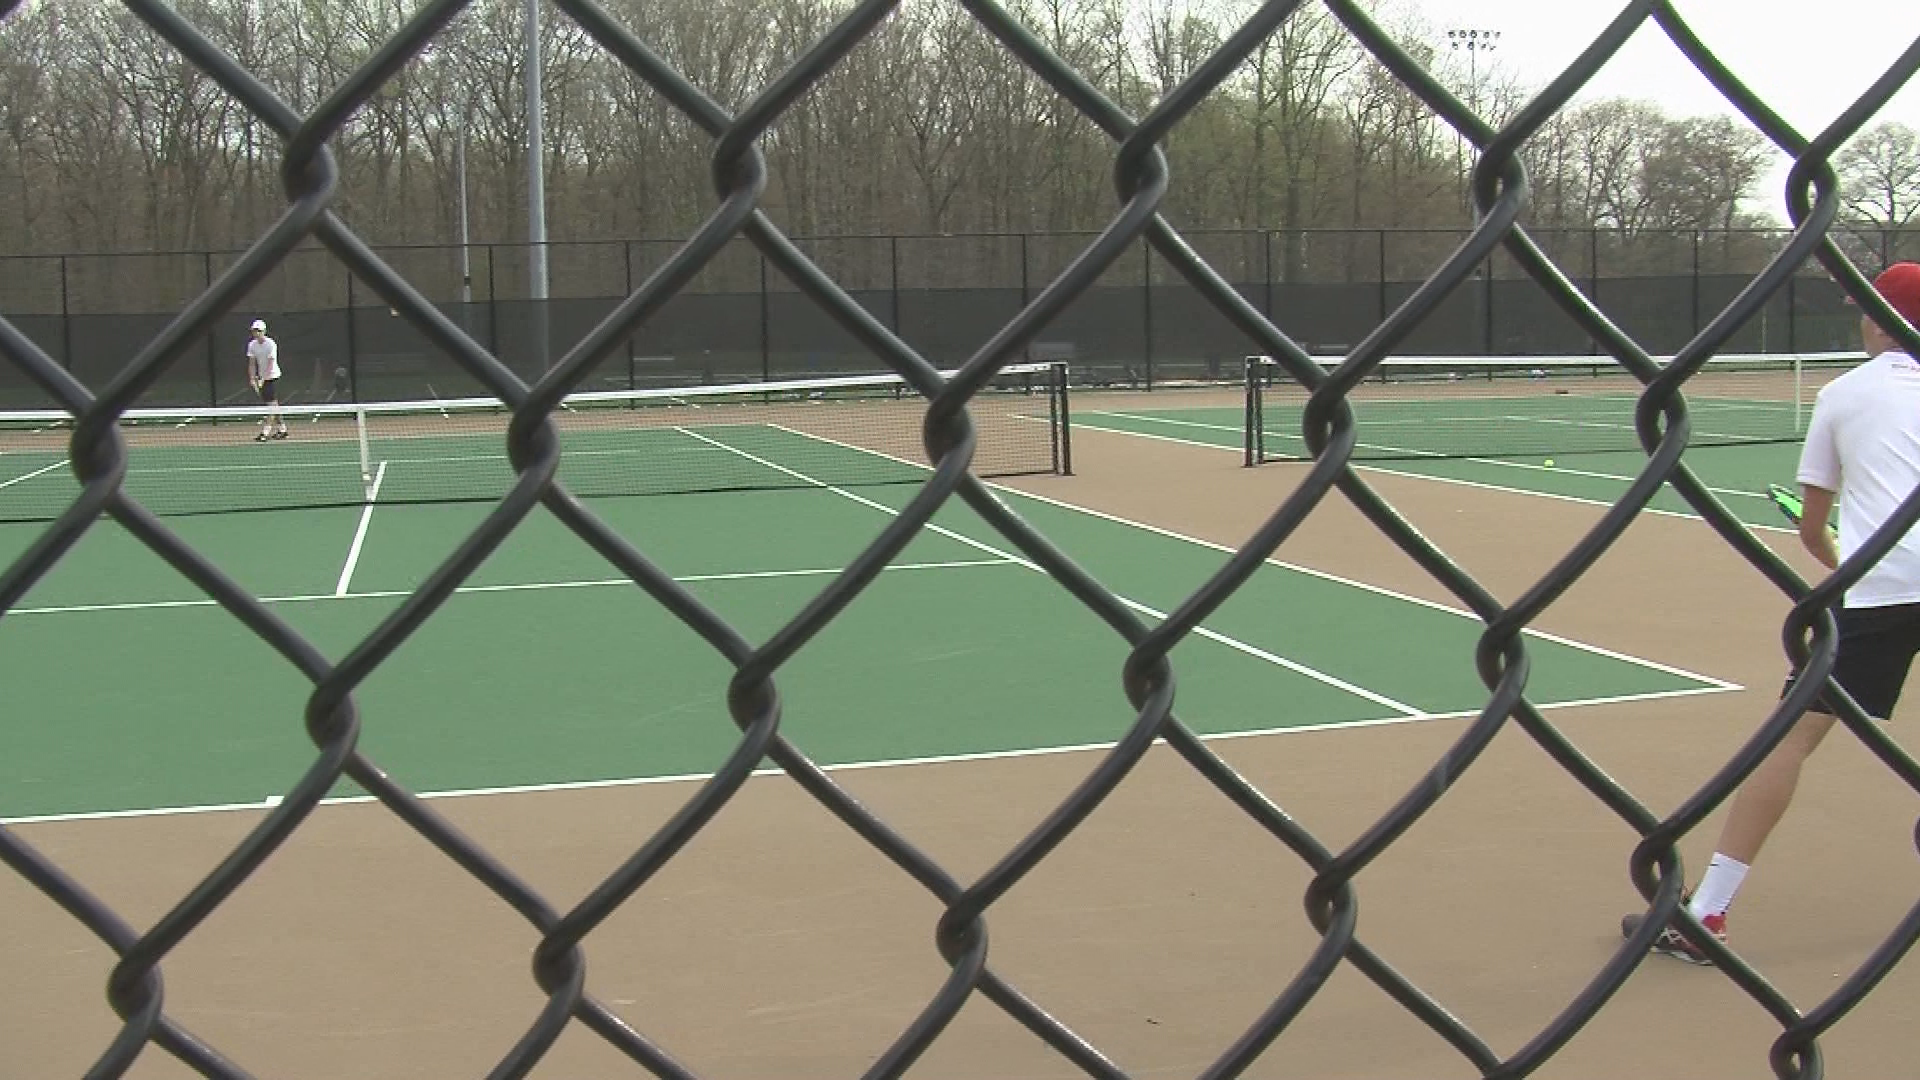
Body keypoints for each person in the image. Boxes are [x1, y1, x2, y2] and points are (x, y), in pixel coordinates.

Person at [1623, 261, 1920, 965]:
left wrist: (1845, 560)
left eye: (1867, 309)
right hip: (1888, 582)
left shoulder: (1845, 394)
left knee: (1787, 742)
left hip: (1880, 592)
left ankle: (1709, 915)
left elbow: (1814, 530)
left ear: (1881, 321)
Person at [247, 318, 289, 441]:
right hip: (262, 378)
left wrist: (263, 379)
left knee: (271, 405)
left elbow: (271, 364)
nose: (256, 333)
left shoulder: (271, 344)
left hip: (273, 377)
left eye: (259, 331)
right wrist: (252, 378)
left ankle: (265, 432)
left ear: (264, 331)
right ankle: (283, 429)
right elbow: (252, 363)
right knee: (273, 405)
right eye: (254, 331)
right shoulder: (252, 345)